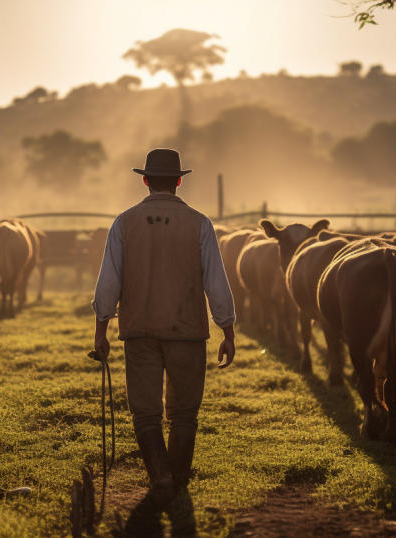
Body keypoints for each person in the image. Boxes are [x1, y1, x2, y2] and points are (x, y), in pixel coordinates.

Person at [92, 148, 236, 505]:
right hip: (187, 330)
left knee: (145, 411)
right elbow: (216, 281)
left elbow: (108, 281)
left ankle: (161, 477)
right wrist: (227, 328)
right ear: (178, 181)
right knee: (184, 412)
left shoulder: (124, 222)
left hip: (138, 329)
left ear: (145, 180)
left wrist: (101, 330)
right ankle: (178, 480)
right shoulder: (200, 223)